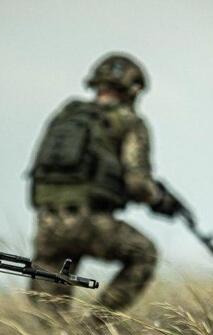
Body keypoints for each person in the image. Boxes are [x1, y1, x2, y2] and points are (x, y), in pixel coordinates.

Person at [28, 53, 180, 312]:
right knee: (145, 254)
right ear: (133, 89)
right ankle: (95, 328)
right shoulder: (130, 122)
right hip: (91, 222)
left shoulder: (66, 116)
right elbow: (137, 183)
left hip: (48, 222)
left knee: (52, 311)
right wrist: (159, 200)